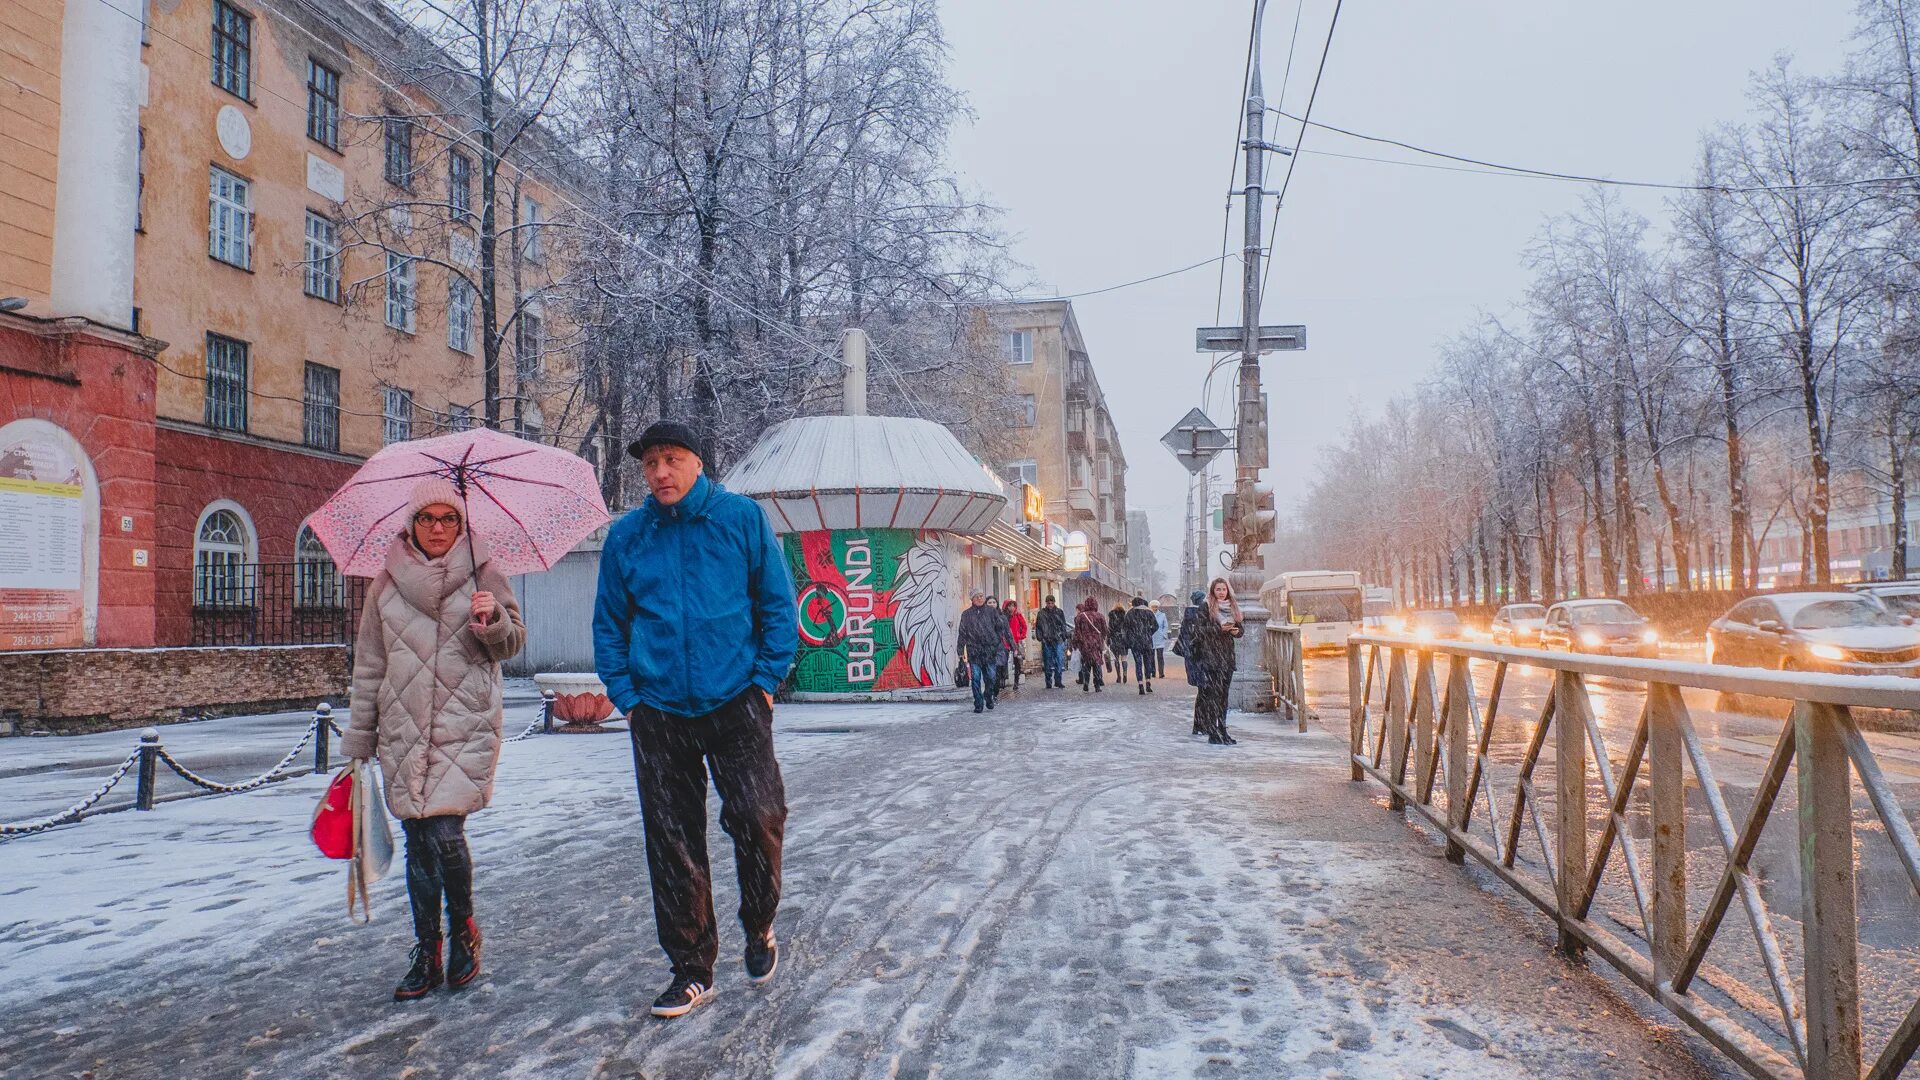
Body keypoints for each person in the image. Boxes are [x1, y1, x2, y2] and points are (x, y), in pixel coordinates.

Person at [592, 420, 798, 1019]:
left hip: (735, 699)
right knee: (672, 840)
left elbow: (776, 607)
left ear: (697, 462)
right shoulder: (628, 536)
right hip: (658, 711)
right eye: (650, 463)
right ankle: (691, 968)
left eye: (671, 459)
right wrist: (628, 695)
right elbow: (610, 623)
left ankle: (758, 924)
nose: (660, 473)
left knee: (760, 818)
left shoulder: (741, 520)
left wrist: (764, 682)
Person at [342, 478, 527, 1001]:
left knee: (444, 833)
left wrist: (490, 623)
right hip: (402, 727)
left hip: (461, 723)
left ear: (462, 524)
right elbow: (370, 665)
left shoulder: (485, 574)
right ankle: (428, 950)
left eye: (449, 519)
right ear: (412, 524)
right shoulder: (385, 585)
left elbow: (512, 644)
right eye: (428, 519)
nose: (439, 528)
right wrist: (360, 738)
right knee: (420, 844)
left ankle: (465, 929)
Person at [1189, 577, 1244, 745]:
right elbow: (1198, 630)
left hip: (1226, 657)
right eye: (1218, 589)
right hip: (1211, 657)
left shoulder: (1233, 607)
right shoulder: (1206, 606)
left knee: (1224, 696)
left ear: (1228, 591)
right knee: (1213, 695)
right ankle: (1213, 731)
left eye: (1224, 589)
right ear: (1213, 591)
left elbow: (1241, 630)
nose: (1221, 593)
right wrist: (1218, 629)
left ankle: (1223, 729)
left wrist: (1235, 632)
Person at [958, 590, 1011, 712]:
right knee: (976, 678)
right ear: (972, 599)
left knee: (991, 677)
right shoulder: (966, 614)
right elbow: (962, 633)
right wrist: (960, 650)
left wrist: (995, 641)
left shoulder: (991, 612)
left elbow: (1000, 628)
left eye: (981, 596)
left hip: (989, 651)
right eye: (977, 597)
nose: (980, 598)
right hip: (974, 652)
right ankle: (978, 703)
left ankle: (988, 695)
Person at [1176, 590, 1207, 735]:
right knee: (1206, 691)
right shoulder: (1202, 614)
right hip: (1203, 656)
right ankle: (1204, 724)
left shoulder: (1187, 616)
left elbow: (1183, 637)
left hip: (1192, 656)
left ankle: (1199, 725)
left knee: (1203, 691)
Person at [1125, 596, 1159, 694]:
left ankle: (1140, 685)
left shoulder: (1130, 613)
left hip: (1135, 642)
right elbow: (1156, 626)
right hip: (1147, 642)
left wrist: (1130, 638)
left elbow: (1126, 629)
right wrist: (1148, 633)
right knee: (1147, 662)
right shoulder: (1149, 612)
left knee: (1138, 663)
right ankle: (1148, 683)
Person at [1034, 595, 1069, 689]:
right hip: (1047, 639)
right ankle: (1048, 682)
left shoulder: (1059, 612)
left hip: (1057, 639)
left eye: (1052, 603)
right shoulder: (1041, 613)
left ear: (1054, 602)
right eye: (1049, 603)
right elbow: (1038, 626)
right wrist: (1040, 637)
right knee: (1047, 661)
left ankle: (1058, 681)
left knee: (1059, 660)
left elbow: (1063, 625)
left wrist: (1063, 635)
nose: (1050, 605)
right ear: (1046, 603)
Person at [1074, 596, 1107, 692]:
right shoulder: (1100, 616)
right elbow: (1104, 630)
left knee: (1086, 664)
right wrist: (1102, 639)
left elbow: (1077, 631)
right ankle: (1097, 685)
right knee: (1096, 664)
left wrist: (1077, 643)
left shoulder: (1080, 617)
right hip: (1096, 644)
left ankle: (1086, 683)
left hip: (1085, 644)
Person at [1004, 598, 1029, 691]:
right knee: (1004, 660)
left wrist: (1021, 636)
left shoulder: (1018, 615)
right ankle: (1004, 678)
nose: (1011, 608)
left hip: (1016, 641)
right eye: (1009, 606)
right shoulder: (1003, 616)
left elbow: (1024, 626)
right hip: (1005, 641)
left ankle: (1016, 681)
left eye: (1013, 606)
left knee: (1017, 662)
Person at [1106, 603, 1131, 684]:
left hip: (1114, 639)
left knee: (1116, 659)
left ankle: (1119, 677)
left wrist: (1108, 639)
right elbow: (1127, 629)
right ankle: (1125, 673)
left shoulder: (1111, 616)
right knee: (1124, 658)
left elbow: (1109, 628)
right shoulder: (1125, 616)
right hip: (1123, 639)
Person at [1150, 601, 1170, 679]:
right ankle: (1153, 672)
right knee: (1151, 657)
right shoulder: (1149, 614)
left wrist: (1164, 634)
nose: (1154, 608)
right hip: (1151, 637)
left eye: (1156, 607)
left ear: (1158, 607)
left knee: (1160, 656)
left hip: (1160, 637)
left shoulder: (1162, 615)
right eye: (1153, 607)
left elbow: (1165, 626)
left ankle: (1161, 673)